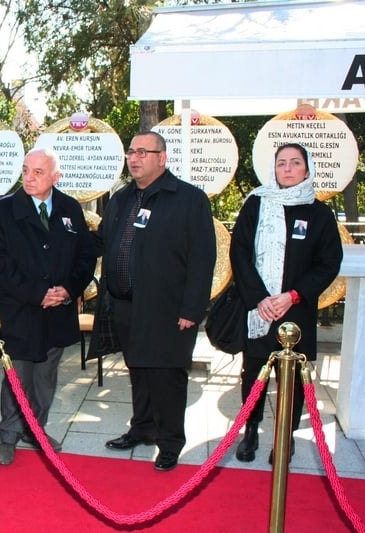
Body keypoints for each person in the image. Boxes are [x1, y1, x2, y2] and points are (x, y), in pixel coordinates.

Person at [97, 131, 216, 472]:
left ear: (162, 158)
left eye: (143, 152)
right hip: (126, 306)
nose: (134, 159)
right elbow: (103, 241)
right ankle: (143, 428)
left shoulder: (189, 199)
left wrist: (192, 309)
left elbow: (202, 258)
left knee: (167, 377)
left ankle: (170, 442)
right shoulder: (122, 198)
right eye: (131, 152)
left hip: (168, 309)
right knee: (139, 371)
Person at [230, 143, 342, 463]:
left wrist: (292, 295)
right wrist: (259, 299)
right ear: (274, 169)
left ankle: (285, 436)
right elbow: (239, 253)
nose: (288, 169)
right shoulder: (256, 204)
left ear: (307, 170)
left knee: (291, 379)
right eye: (282, 163)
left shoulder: (319, 213)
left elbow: (328, 263)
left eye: (295, 163)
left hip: (296, 311)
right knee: (253, 373)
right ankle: (250, 430)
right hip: (260, 309)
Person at [0, 147, 96, 465]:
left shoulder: (69, 208)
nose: (29, 178)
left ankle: (36, 429)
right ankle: (9, 435)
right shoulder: (4, 210)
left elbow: (85, 255)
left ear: (55, 177)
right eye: (25, 170)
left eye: (38, 172)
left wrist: (68, 289)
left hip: (58, 310)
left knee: (45, 376)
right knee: (17, 376)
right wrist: (37, 293)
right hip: (19, 309)